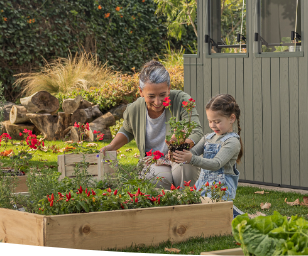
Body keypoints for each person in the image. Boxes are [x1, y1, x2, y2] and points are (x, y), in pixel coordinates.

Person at [100, 60, 205, 189]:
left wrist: (181, 145)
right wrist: (111, 146)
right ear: (141, 92)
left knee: (185, 167)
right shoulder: (134, 109)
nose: (157, 101)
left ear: (169, 88)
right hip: (154, 161)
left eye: (162, 95)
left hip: (180, 155)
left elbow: (196, 130)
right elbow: (127, 130)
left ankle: (188, 203)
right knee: (156, 179)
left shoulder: (181, 100)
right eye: (151, 96)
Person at [170, 94, 245, 218]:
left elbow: (216, 164)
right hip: (203, 184)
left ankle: (242, 217)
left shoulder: (232, 142)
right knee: (201, 213)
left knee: (219, 215)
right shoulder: (208, 137)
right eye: (210, 121)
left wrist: (191, 159)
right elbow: (192, 152)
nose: (212, 125)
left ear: (232, 118)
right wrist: (178, 148)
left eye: (217, 122)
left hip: (221, 188)